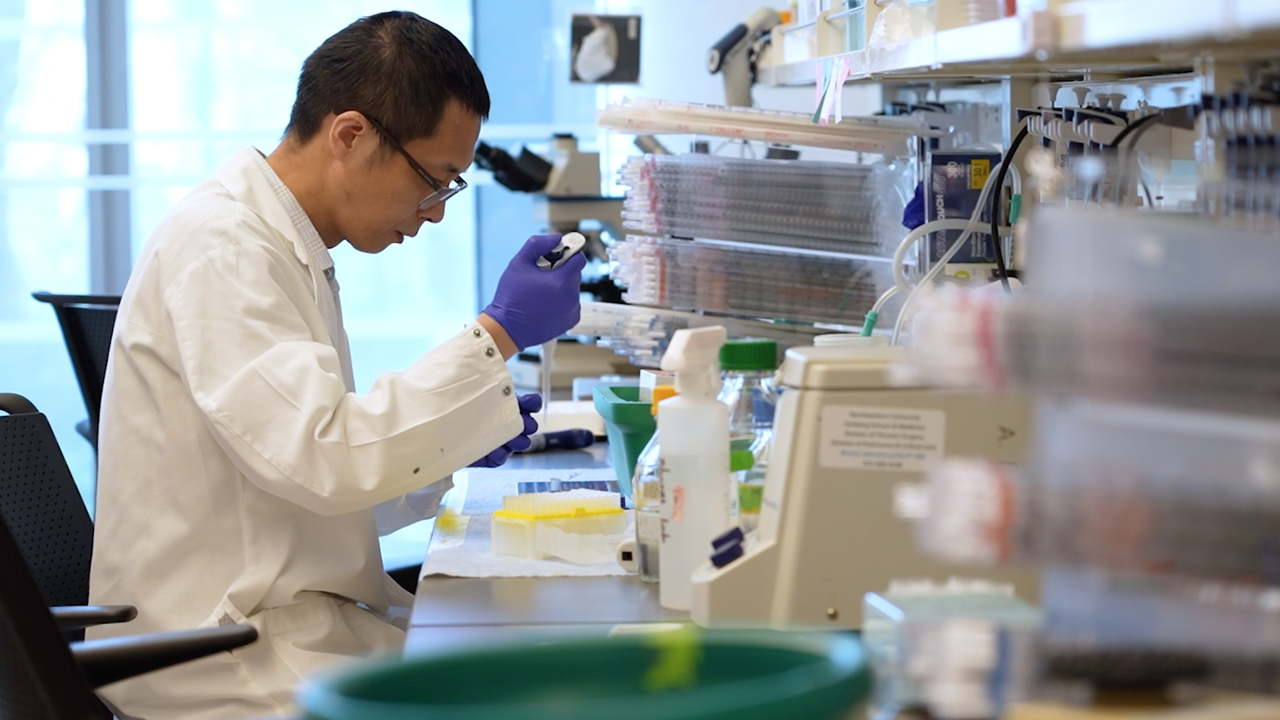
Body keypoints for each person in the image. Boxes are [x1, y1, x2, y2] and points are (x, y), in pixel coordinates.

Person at [86, 12, 585, 720]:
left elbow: (313, 492)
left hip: (282, 622)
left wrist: (455, 442)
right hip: (219, 655)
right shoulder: (224, 246)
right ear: (350, 135)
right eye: (434, 179)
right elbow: (324, 458)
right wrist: (497, 334)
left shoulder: (283, 246)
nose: (436, 213)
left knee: (533, 658)